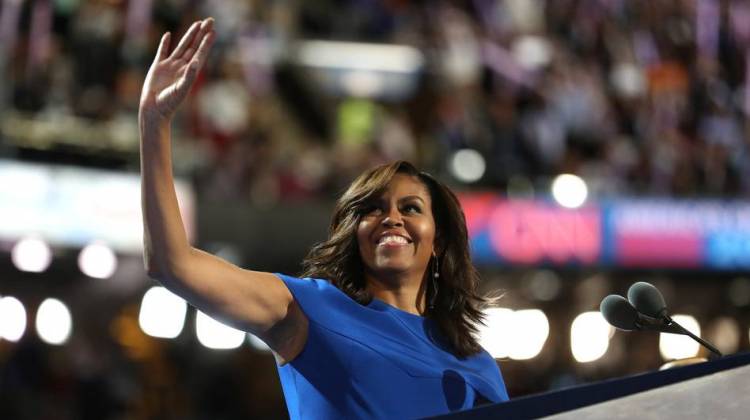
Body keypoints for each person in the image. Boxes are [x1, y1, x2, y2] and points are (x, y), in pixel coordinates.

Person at [139, 17, 509, 419]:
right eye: (372, 208)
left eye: (411, 208)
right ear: (355, 234)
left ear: (438, 240)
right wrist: (154, 124)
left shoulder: (478, 366)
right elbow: (172, 263)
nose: (391, 218)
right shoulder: (308, 309)